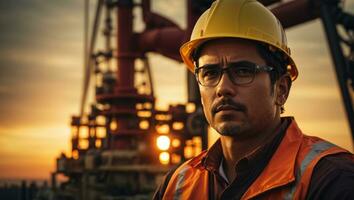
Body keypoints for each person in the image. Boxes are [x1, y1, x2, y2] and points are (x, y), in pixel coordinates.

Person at [154, 0, 354, 199]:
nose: (223, 88)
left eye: (243, 71)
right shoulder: (177, 185)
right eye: (210, 73)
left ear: (281, 89)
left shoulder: (333, 179)